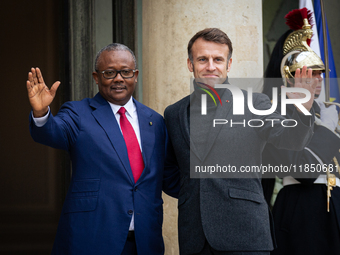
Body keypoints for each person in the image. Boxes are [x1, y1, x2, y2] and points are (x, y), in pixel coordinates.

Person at [164, 27, 317, 255]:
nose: (211, 66)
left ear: (229, 64)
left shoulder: (255, 103)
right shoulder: (174, 113)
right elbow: (169, 170)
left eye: (218, 59)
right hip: (195, 237)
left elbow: (291, 139)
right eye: (202, 59)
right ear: (190, 64)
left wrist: (303, 110)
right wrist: (194, 193)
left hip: (245, 234)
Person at [27, 43, 179, 255]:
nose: (118, 78)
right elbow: (53, 132)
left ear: (135, 75)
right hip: (92, 239)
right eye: (109, 73)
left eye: (125, 72)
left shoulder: (155, 121)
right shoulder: (78, 113)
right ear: (96, 77)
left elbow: (170, 179)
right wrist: (42, 112)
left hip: (145, 243)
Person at [262, 8, 340, 255]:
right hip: (302, 211)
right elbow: (304, 171)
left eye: (319, 73)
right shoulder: (274, 112)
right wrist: (328, 128)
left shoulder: (328, 110)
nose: (316, 79)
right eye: (307, 73)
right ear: (289, 76)